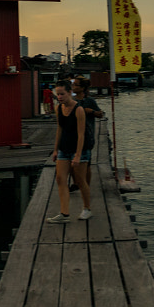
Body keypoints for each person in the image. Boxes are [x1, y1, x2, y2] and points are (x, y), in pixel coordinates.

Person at [47, 80, 94, 223]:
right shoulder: (58, 108)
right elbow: (59, 129)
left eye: (62, 94)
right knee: (60, 179)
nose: (59, 97)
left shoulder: (78, 109)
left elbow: (81, 134)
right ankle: (64, 213)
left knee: (80, 180)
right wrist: (55, 150)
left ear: (69, 93)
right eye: (57, 94)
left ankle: (87, 209)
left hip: (80, 148)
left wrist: (78, 155)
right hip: (64, 148)